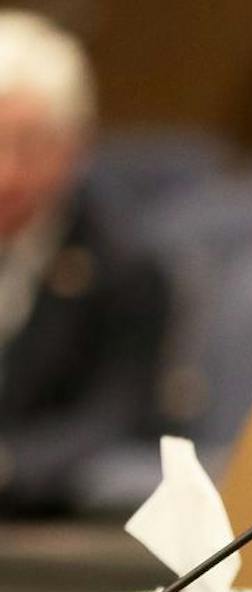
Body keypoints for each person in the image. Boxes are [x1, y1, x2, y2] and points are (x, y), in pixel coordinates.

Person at [0, 10, 170, 514]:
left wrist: (9, 464)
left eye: (27, 144)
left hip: (47, 515)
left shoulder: (125, 260)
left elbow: (118, 415)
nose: (5, 172)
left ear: (73, 146)